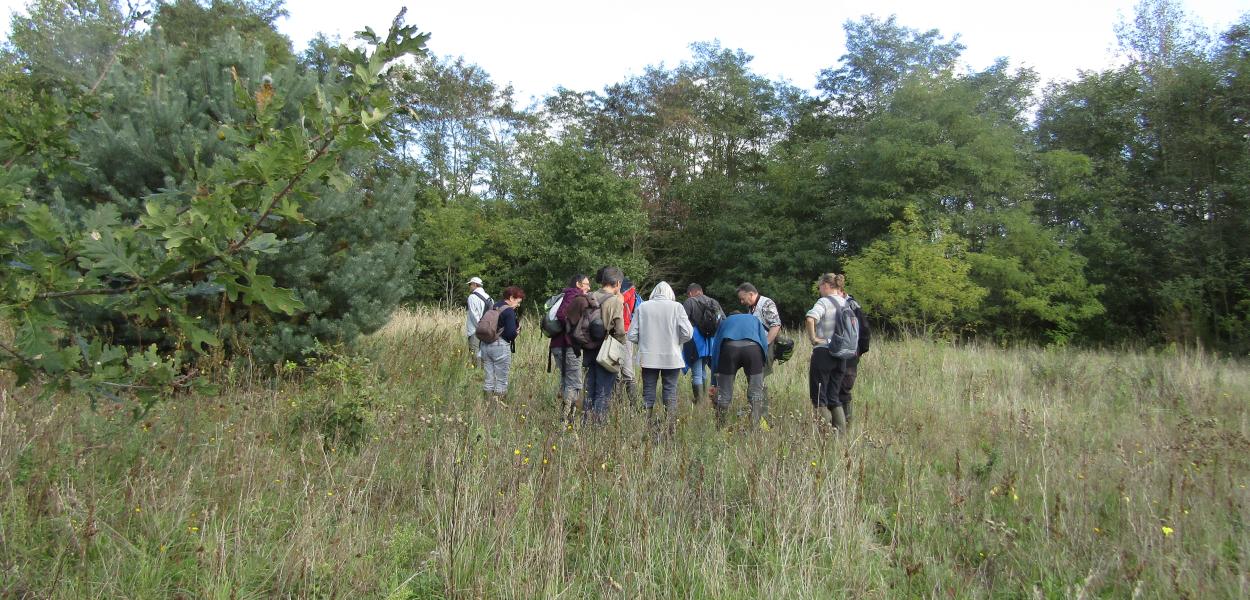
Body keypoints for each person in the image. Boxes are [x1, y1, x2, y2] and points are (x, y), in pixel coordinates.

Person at [628, 281, 693, 439]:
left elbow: (632, 334)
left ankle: (646, 427)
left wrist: (644, 343)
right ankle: (670, 428)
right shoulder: (677, 307)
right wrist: (677, 341)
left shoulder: (643, 307)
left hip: (648, 357)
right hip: (671, 357)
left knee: (648, 393)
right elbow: (688, 333)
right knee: (670, 392)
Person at [708, 312, 770, 429]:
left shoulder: (725, 321)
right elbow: (764, 343)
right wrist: (762, 363)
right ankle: (755, 427)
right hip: (753, 349)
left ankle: (720, 426)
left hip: (729, 349)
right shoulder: (754, 319)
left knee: (724, 393)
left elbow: (716, 349)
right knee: (756, 392)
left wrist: (714, 381)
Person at [582, 267, 627, 425]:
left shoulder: (589, 296)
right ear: (618, 283)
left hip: (588, 349)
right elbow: (620, 330)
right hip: (606, 351)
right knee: (603, 391)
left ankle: (585, 422)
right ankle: (597, 426)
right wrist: (622, 345)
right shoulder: (615, 301)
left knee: (590, 388)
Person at [805, 273, 849, 432]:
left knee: (819, 398)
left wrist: (814, 338)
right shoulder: (846, 302)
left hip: (824, 353)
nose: (819, 290)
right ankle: (841, 436)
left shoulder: (824, 301)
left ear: (825, 285)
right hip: (842, 354)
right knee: (834, 397)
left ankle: (824, 437)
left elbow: (810, 318)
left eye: (819, 287)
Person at [550, 274, 591, 424]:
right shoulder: (574, 295)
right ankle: (567, 418)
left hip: (557, 345)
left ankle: (564, 414)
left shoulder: (565, 294)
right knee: (574, 383)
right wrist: (573, 329)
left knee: (566, 381)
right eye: (586, 284)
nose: (589, 287)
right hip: (567, 346)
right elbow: (562, 315)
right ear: (579, 284)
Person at [482, 286, 525, 404]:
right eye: (518, 301)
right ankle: (498, 409)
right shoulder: (509, 311)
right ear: (511, 298)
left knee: (489, 379)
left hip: (485, 345)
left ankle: (486, 406)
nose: (518, 305)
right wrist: (516, 332)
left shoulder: (493, 306)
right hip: (500, 346)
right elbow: (510, 334)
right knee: (501, 380)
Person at [682, 283, 723, 404]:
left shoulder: (690, 302)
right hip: (710, 342)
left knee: (696, 373)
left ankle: (699, 401)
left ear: (690, 293)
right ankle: (704, 398)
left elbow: (682, 320)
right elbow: (723, 320)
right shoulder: (713, 302)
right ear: (701, 291)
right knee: (703, 370)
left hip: (696, 341)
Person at [839, 289, 871, 426]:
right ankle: (835, 426)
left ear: (840, 290)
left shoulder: (852, 305)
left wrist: (858, 352)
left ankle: (845, 424)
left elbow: (865, 331)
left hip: (850, 356)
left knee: (844, 390)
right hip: (839, 354)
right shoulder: (833, 303)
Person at [617, 276, 642, 406]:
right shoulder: (630, 291)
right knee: (622, 370)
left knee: (624, 370)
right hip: (623, 332)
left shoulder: (626, 291)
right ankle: (626, 405)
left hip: (623, 332)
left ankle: (628, 404)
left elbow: (620, 301)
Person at [464, 277, 491, 368]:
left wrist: (479, 327)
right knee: (484, 351)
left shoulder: (472, 297)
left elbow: (473, 314)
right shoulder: (489, 298)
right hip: (487, 330)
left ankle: (476, 372)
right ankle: (483, 371)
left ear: (475, 285)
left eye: (470, 284)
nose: (469, 286)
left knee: (474, 351)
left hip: (475, 330)